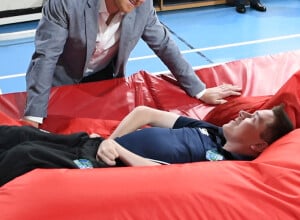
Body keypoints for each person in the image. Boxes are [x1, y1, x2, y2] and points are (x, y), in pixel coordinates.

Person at [24, 0, 241, 127]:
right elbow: (45, 56)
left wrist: (199, 89)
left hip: (103, 80)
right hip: (62, 82)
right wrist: (34, 116)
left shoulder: (143, 6)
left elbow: (164, 45)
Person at [0, 104, 293, 186]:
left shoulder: (227, 167)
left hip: (108, 166)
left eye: (253, 118)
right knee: (15, 135)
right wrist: (110, 141)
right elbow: (145, 113)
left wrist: (118, 152)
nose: (243, 113)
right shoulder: (210, 131)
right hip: (99, 146)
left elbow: (165, 178)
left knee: (24, 154)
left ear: (258, 145)